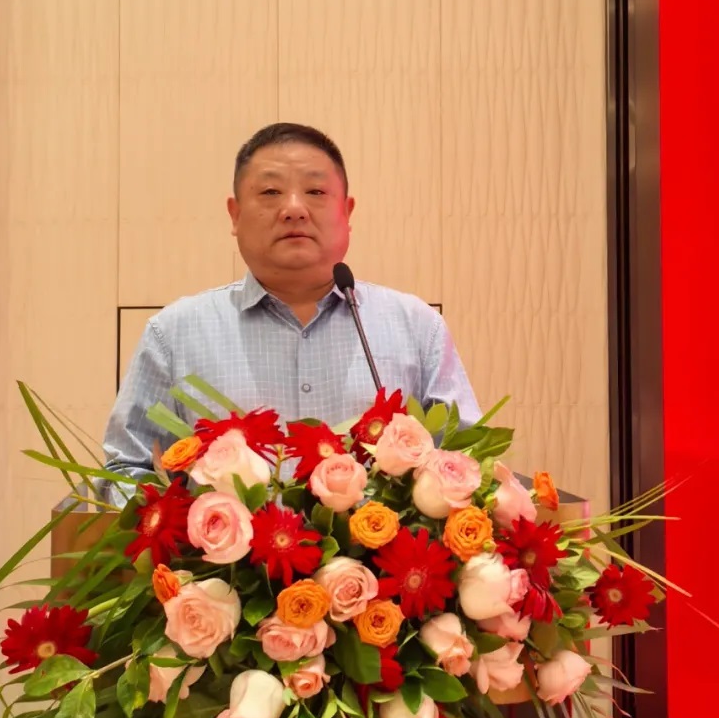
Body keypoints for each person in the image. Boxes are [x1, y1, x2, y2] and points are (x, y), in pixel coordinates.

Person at [102, 122, 479, 485]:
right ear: (235, 214)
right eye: (270, 192)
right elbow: (126, 471)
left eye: (315, 191)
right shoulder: (174, 335)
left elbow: (467, 463)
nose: (294, 208)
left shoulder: (416, 328)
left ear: (347, 212)